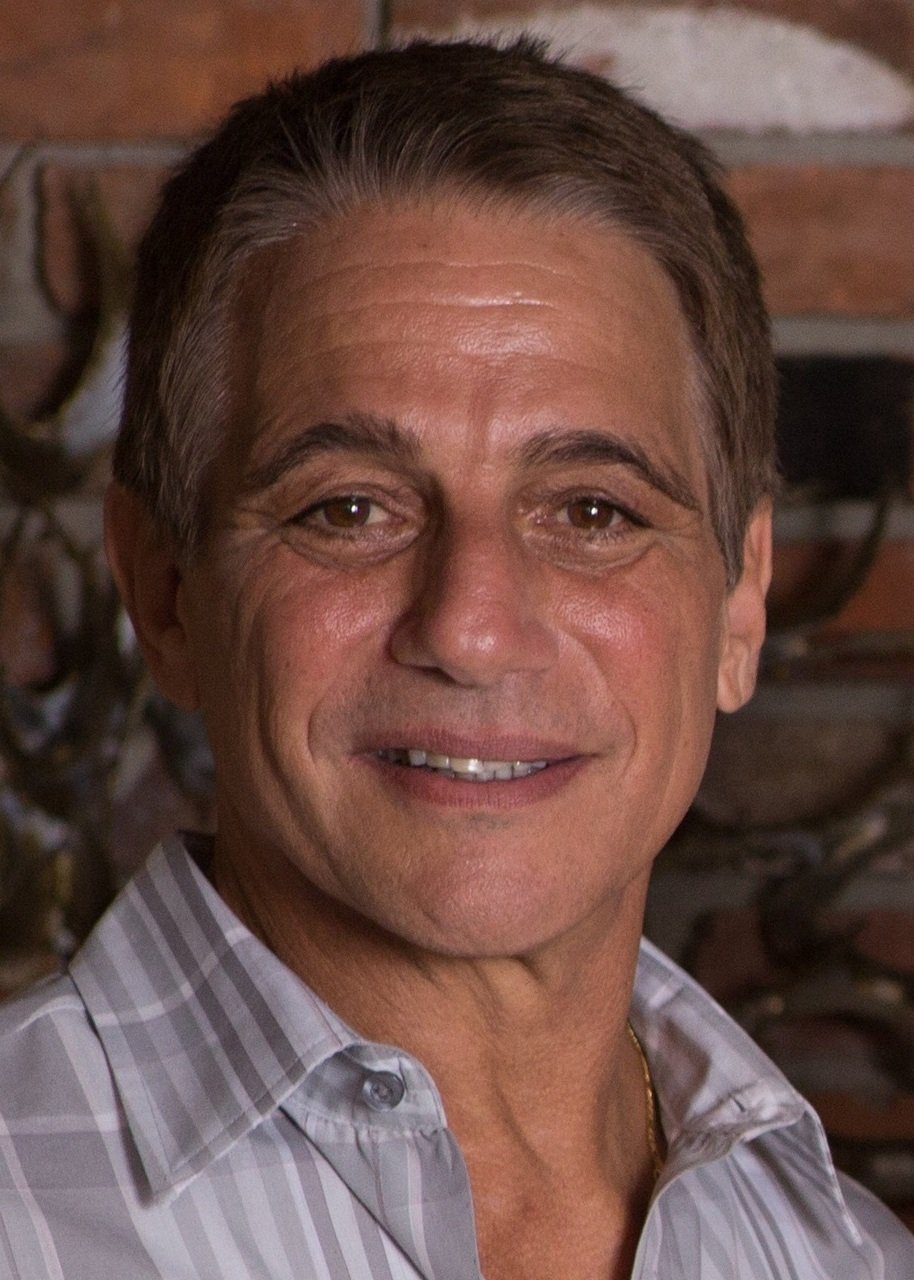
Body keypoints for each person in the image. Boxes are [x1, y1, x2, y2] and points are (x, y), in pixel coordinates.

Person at [0, 37, 911, 1280]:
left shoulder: (846, 1256)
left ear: (739, 599)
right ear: (162, 591)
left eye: (591, 510)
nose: (471, 628)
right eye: (348, 508)